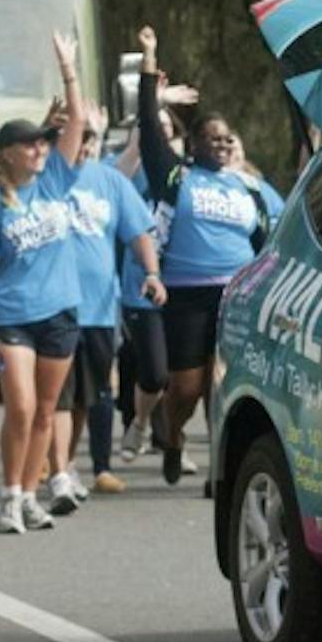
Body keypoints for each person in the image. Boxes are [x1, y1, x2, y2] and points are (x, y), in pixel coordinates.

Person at [136, 25, 283, 484]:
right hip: (185, 296)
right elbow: (147, 129)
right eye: (212, 139)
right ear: (194, 144)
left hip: (235, 294)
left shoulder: (251, 188)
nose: (221, 145)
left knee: (221, 385)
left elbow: (271, 240)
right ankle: (173, 435)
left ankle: (219, 470)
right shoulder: (177, 178)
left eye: (227, 139)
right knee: (186, 386)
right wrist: (148, 60)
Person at [0, 32, 86, 534]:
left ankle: (32, 496)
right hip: (13, 317)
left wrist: (68, 69)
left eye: (42, 142)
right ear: (7, 154)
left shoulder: (56, 178)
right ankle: (10, 494)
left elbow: (75, 122)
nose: (40, 148)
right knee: (22, 406)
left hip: (60, 310)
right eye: (30, 144)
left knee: (46, 411)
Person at [46, 105, 165, 510]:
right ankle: (58, 469)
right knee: (58, 397)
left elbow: (140, 232)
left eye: (90, 139)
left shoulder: (111, 181)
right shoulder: (48, 179)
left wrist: (152, 273)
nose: (84, 146)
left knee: (90, 395)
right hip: (54, 307)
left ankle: (81, 466)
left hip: (99, 309)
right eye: (78, 138)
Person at [111, 94, 194, 464]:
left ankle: (172, 439)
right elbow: (119, 174)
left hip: (184, 285)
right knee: (152, 370)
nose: (159, 134)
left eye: (166, 128)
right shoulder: (126, 172)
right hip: (139, 285)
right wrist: (152, 106)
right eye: (151, 128)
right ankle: (140, 423)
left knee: (181, 373)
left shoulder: (188, 175)